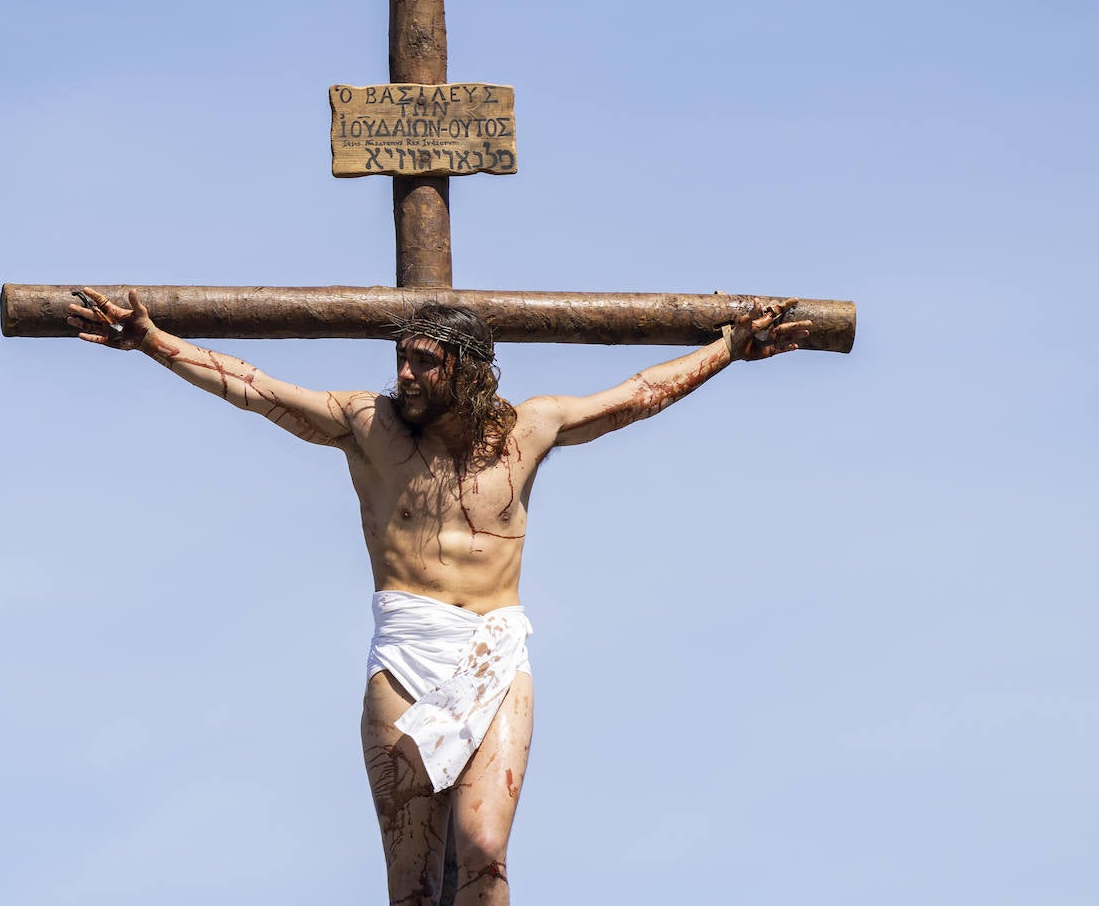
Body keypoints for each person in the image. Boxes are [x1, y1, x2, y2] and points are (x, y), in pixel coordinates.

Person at [68, 289, 809, 906]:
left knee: (485, 853)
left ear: (468, 369)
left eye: (424, 361)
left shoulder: (529, 428)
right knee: (411, 886)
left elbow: (638, 396)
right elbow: (258, 389)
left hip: (495, 650)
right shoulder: (370, 427)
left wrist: (727, 350)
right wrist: (151, 339)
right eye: (402, 359)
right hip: (405, 651)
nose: (406, 374)